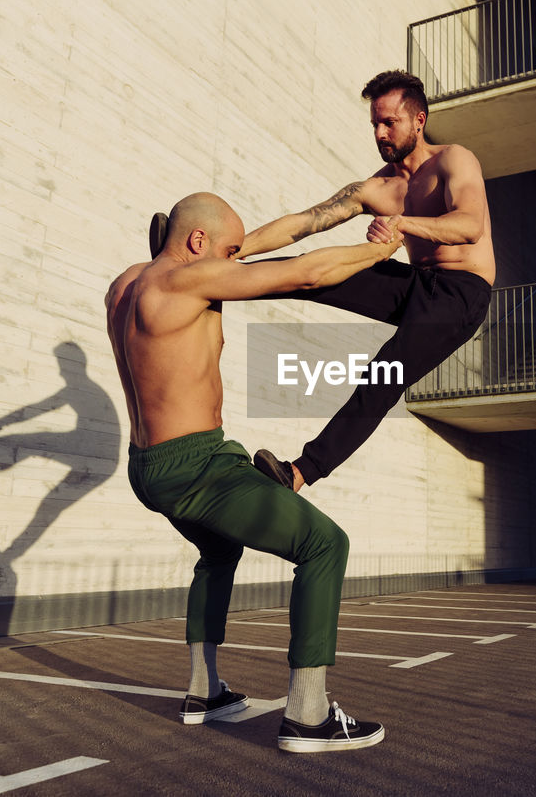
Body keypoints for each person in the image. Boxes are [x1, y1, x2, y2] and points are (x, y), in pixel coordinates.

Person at [106, 191, 400, 752]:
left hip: (147, 466)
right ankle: (308, 714)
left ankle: (204, 690)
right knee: (323, 544)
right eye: (228, 251)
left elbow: (174, 303)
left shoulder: (125, 286)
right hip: (198, 464)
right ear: (197, 244)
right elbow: (308, 273)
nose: (233, 262)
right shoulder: (183, 284)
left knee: (218, 552)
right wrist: (378, 252)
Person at [241, 70, 496, 492]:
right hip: (416, 282)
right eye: (375, 124)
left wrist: (401, 223)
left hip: (461, 293)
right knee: (316, 272)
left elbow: (469, 225)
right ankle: (219, 272)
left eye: (388, 122)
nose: (380, 133)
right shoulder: (377, 186)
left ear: (419, 120)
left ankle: (300, 472)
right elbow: (304, 223)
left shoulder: (455, 160)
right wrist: (238, 248)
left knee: (385, 371)